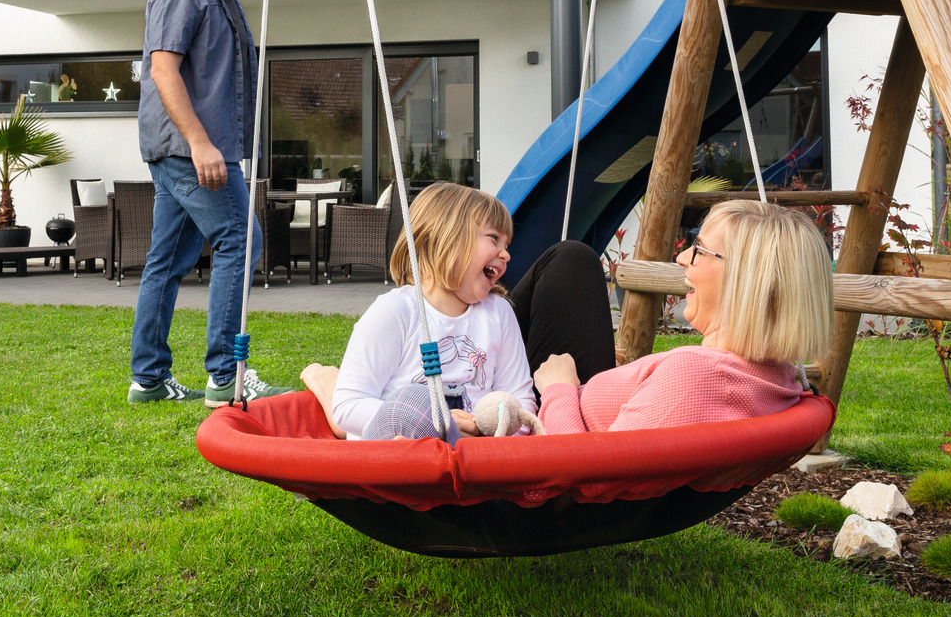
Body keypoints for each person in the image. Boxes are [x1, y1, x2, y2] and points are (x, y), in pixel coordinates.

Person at [128, 0, 293, 405]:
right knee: (240, 242)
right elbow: (163, 69)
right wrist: (202, 144)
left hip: (195, 149)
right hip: (191, 150)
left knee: (168, 260)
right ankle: (226, 376)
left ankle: (149, 379)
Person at [523, 200, 831, 433]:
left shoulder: (691, 379)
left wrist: (557, 388)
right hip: (586, 406)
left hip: (540, 439)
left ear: (745, 280)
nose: (683, 257)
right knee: (572, 261)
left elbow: (581, 477)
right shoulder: (779, 377)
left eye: (699, 250)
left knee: (568, 261)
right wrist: (626, 379)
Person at [301, 183, 536, 440]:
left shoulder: (499, 313)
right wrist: (440, 420)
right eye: (494, 239)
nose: (506, 255)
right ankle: (327, 382)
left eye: (507, 244)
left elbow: (520, 402)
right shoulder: (397, 311)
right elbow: (347, 406)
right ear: (445, 238)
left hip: (474, 455)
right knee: (416, 405)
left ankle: (329, 381)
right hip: (403, 450)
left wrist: (497, 434)